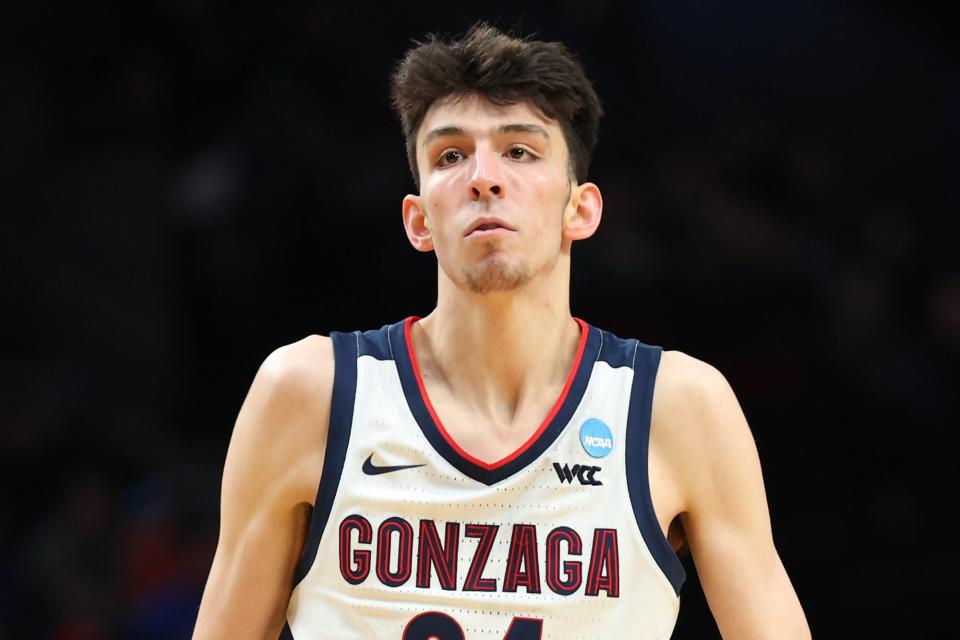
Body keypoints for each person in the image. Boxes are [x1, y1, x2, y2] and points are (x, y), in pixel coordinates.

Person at [193, 23, 811, 640]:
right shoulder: (310, 395)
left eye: (520, 151)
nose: (483, 178)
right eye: (450, 155)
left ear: (582, 207)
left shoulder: (677, 407)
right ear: (418, 220)